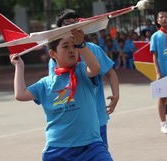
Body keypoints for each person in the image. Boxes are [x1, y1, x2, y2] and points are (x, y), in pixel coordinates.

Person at [10, 30, 113, 160]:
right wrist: (19, 66)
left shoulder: (81, 71)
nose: (71, 50)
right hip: (58, 149)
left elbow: (96, 68)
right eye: (65, 46)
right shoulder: (45, 83)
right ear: (53, 53)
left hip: (91, 146)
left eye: (73, 46)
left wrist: (81, 44)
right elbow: (20, 94)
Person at [49, 9, 120, 146]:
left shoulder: (93, 49)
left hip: (96, 118)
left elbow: (111, 73)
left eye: (76, 23)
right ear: (60, 29)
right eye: (67, 24)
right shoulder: (56, 56)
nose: (73, 28)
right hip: (72, 121)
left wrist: (116, 95)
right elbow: (55, 87)